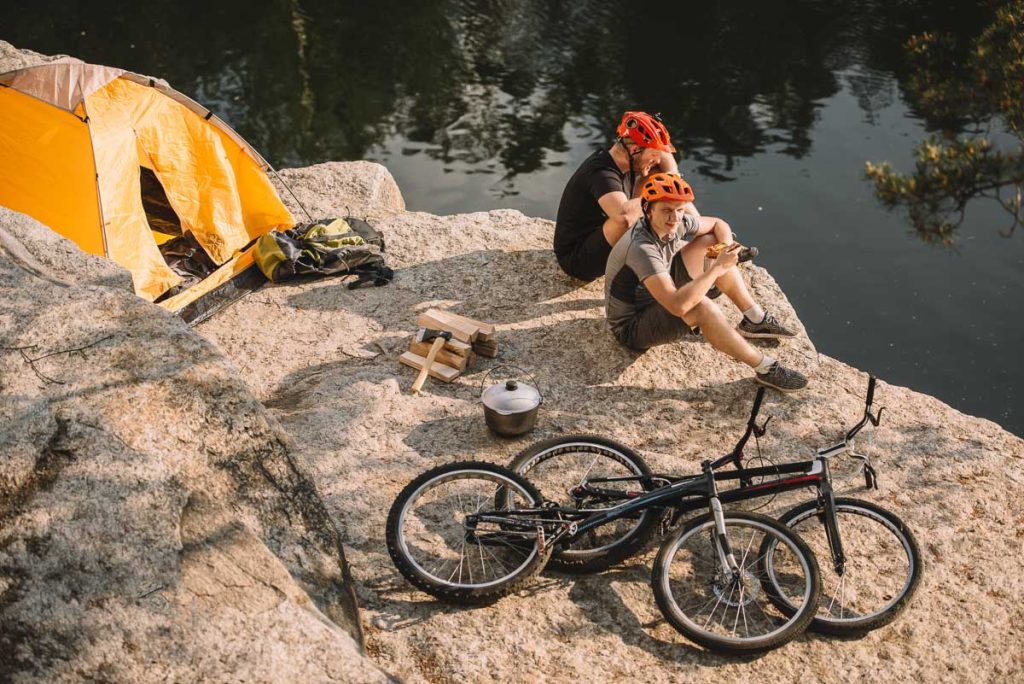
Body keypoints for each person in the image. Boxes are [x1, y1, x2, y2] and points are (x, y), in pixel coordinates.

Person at [604, 172, 808, 392]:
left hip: (656, 291)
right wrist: (718, 268)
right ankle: (765, 368)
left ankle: (754, 319)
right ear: (647, 209)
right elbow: (677, 306)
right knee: (702, 307)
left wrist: (726, 248)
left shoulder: (673, 223)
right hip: (632, 325)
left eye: (680, 210)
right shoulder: (642, 249)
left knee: (712, 244)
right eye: (666, 210)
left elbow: (718, 224)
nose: (674, 217)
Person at [554, 111, 679, 282]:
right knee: (626, 217)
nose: (657, 160)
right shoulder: (602, 173)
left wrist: (672, 178)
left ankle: (691, 237)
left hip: (602, 238)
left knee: (662, 179)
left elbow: (665, 156)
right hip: (578, 259)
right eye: (653, 155)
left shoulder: (632, 158)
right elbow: (624, 217)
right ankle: (661, 268)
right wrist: (659, 190)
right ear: (635, 149)